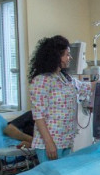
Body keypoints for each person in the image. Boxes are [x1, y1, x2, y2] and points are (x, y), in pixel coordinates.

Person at [28, 35, 92, 163]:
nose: (70, 58)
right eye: (67, 54)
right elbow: (39, 116)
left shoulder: (65, 79)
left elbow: (87, 87)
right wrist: (49, 143)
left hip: (65, 141)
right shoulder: (41, 81)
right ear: (56, 56)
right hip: (49, 144)